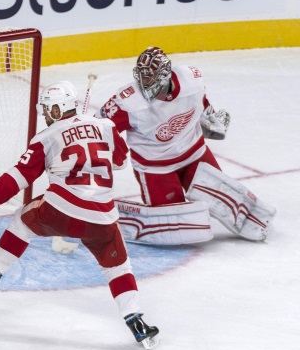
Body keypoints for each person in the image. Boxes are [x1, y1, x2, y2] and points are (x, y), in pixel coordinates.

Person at [0, 81, 160, 350]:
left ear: (58, 110)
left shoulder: (45, 137)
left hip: (62, 210)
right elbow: (120, 161)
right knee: (118, 266)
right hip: (103, 218)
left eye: (47, 109)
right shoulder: (106, 126)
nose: (45, 115)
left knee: (23, 220)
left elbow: (18, 176)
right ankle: (137, 322)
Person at [98, 46, 275, 245]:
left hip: (195, 155)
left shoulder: (192, 80)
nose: (144, 83)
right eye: (141, 76)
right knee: (174, 220)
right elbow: (100, 127)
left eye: (150, 78)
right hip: (156, 167)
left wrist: (210, 119)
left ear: (165, 75)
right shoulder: (128, 101)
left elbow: (202, 103)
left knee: (220, 202)